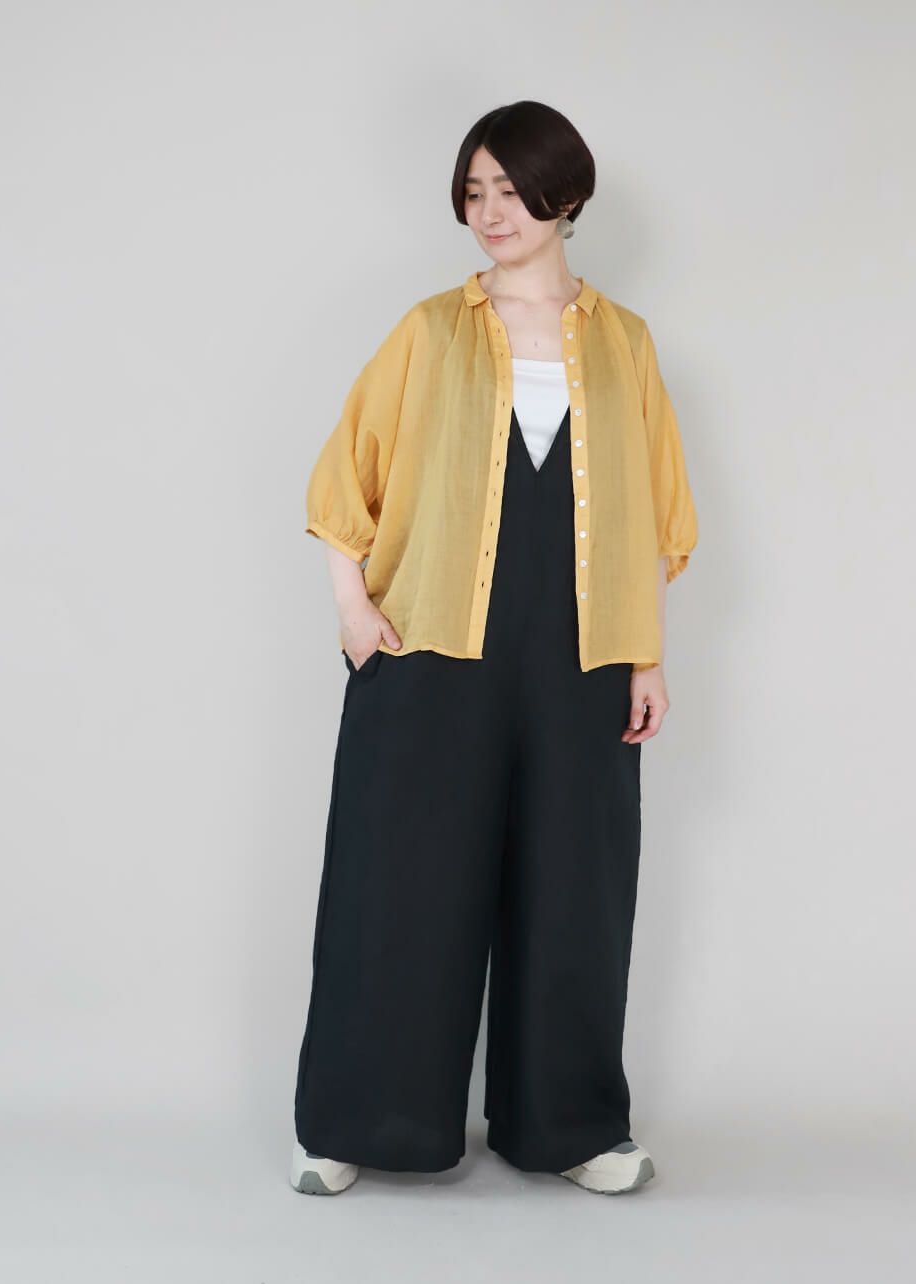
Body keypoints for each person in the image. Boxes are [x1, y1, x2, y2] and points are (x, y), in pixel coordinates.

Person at [290, 100, 698, 1196]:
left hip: (583, 655)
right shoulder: (430, 330)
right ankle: (358, 1122)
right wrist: (353, 615)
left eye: (510, 190)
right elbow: (344, 481)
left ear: (567, 193)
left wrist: (646, 658)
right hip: (429, 645)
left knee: (576, 888)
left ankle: (569, 1127)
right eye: (474, 192)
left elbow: (656, 515)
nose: (490, 212)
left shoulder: (624, 342)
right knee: (398, 883)